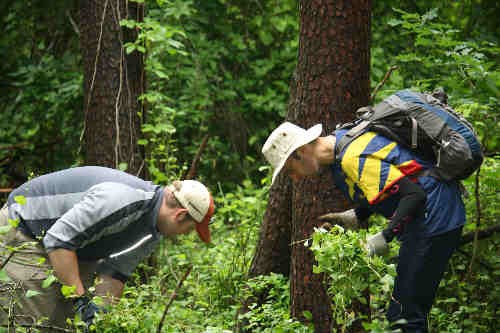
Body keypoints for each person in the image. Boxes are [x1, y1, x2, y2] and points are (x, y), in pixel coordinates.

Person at [262, 122, 465, 333]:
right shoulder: (342, 146)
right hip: (433, 215)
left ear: (300, 152)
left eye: (289, 170)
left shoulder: (351, 158)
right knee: (405, 312)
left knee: (404, 317)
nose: (294, 178)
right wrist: (358, 214)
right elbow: (390, 182)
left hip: (436, 218)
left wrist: (384, 236)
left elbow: (415, 195)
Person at [0, 166, 214, 330]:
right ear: (180, 215)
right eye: (190, 228)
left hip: (72, 250)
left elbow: (115, 272)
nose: (187, 235)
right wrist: (80, 300)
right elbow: (59, 240)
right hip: (25, 231)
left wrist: (100, 317)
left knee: (67, 326)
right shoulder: (122, 200)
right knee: (30, 321)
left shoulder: (153, 230)